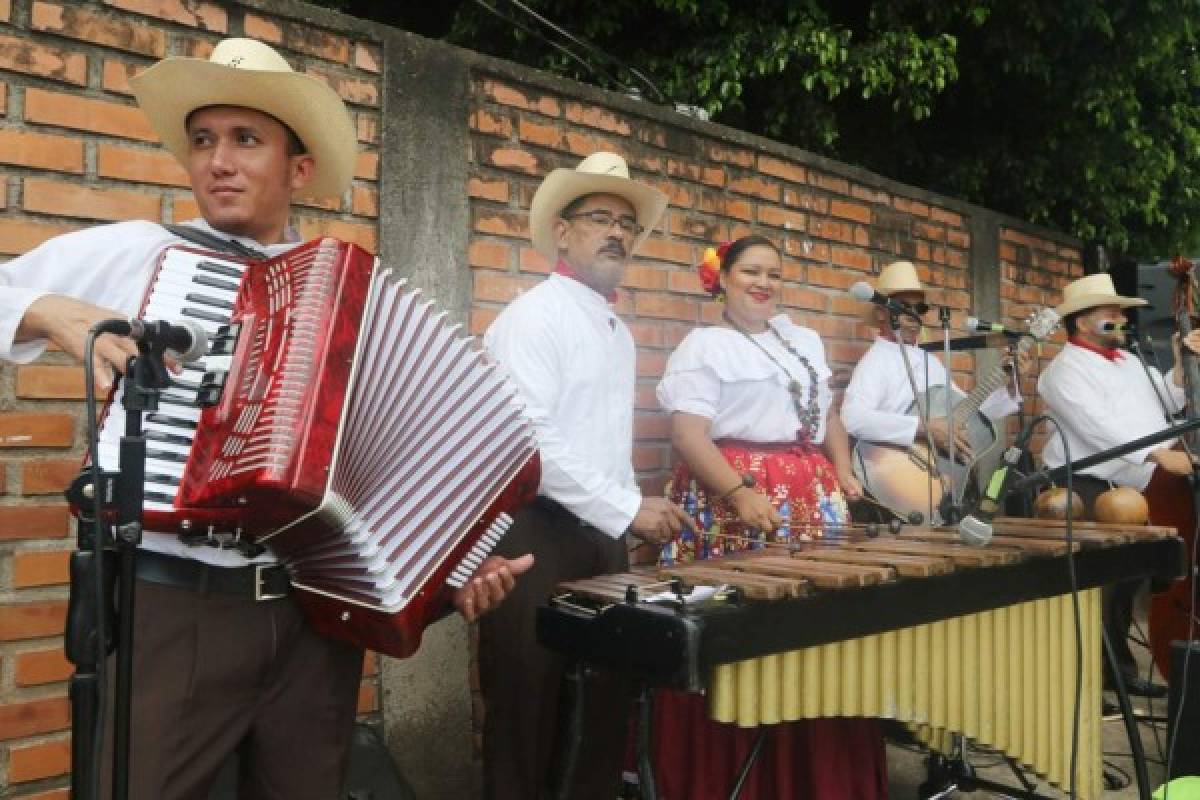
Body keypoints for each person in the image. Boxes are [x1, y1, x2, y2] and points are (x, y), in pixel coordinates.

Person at [0, 38, 531, 799]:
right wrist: (47, 310)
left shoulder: (348, 304)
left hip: (312, 620)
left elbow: (389, 471)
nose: (219, 160)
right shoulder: (143, 254)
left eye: (247, 140)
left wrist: (454, 570)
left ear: (299, 169)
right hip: (174, 606)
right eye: (204, 140)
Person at [479, 151, 692, 800]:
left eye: (628, 224)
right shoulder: (531, 318)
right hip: (530, 540)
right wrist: (626, 509)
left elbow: (603, 447)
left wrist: (627, 514)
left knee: (601, 713)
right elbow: (527, 443)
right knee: (527, 714)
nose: (618, 233)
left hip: (600, 540)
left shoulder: (617, 334)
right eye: (600, 217)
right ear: (562, 233)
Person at [650, 234, 886, 799]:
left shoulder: (801, 338)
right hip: (733, 499)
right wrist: (738, 493)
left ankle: (814, 777)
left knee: (814, 632)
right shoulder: (702, 347)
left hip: (809, 497)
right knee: (742, 634)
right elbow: (687, 434)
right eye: (751, 272)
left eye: (774, 274)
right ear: (723, 280)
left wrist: (842, 465)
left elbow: (825, 412)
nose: (764, 283)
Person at [1038, 272, 1200, 698]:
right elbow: (1098, 428)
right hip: (1087, 481)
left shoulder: (1129, 361)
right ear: (1080, 320)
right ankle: (1100, 671)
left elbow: (1169, 398)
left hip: (1138, 480)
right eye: (1110, 311)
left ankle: (1116, 667)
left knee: (1128, 580)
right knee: (1107, 583)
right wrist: (1154, 454)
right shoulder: (1062, 372)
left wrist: (1183, 362)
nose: (1121, 316)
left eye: (1121, 310)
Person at [840, 260, 1026, 522]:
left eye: (920, 308)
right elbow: (852, 418)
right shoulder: (875, 361)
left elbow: (968, 416)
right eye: (905, 306)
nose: (914, 314)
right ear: (882, 312)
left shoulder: (930, 362)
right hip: (896, 478)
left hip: (938, 480)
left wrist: (1009, 383)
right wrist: (923, 428)